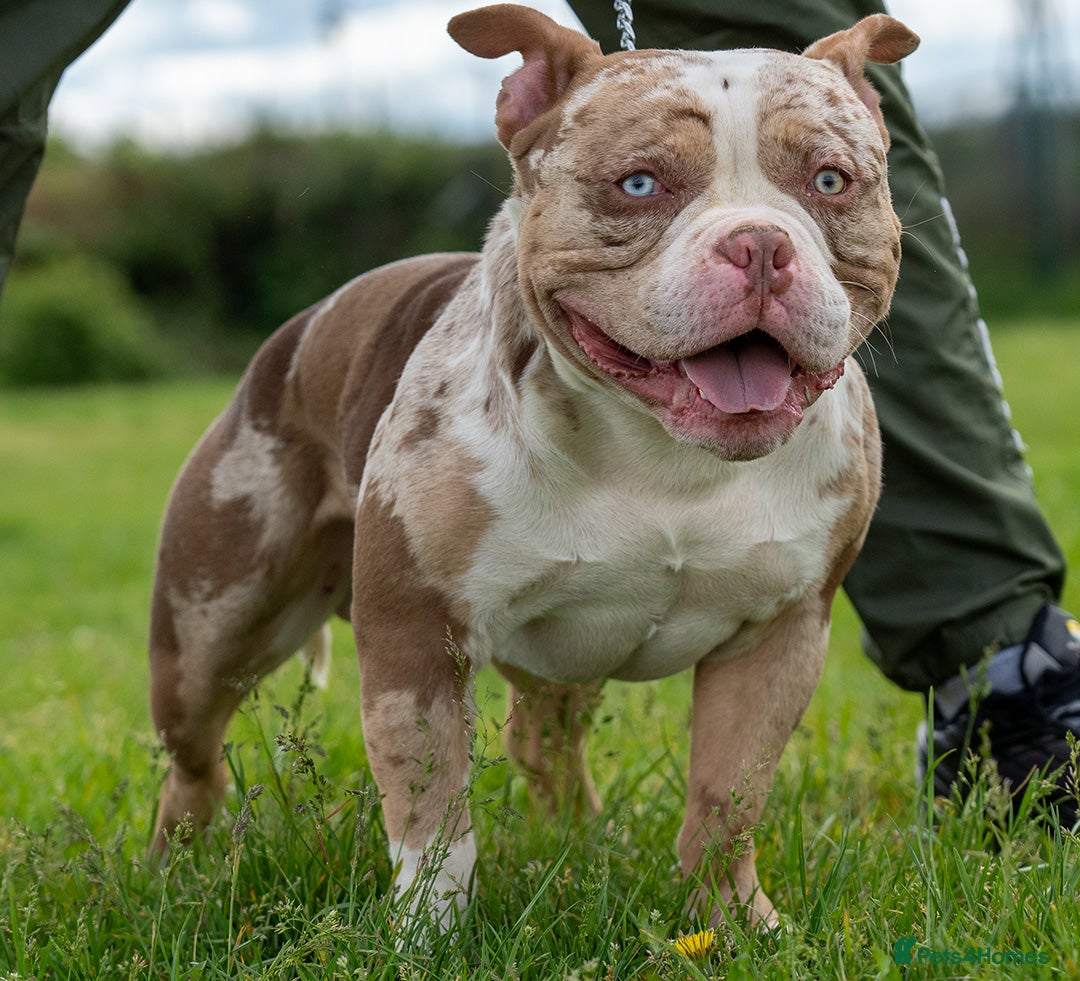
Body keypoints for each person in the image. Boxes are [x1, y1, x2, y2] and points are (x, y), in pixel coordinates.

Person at [3, 0, 1076, 826]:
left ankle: (998, 668)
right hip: (359, 418)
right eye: (647, 185)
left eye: (830, 182)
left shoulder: (838, 434)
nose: (756, 244)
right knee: (201, 666)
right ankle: (190, 789)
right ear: (521, 123)